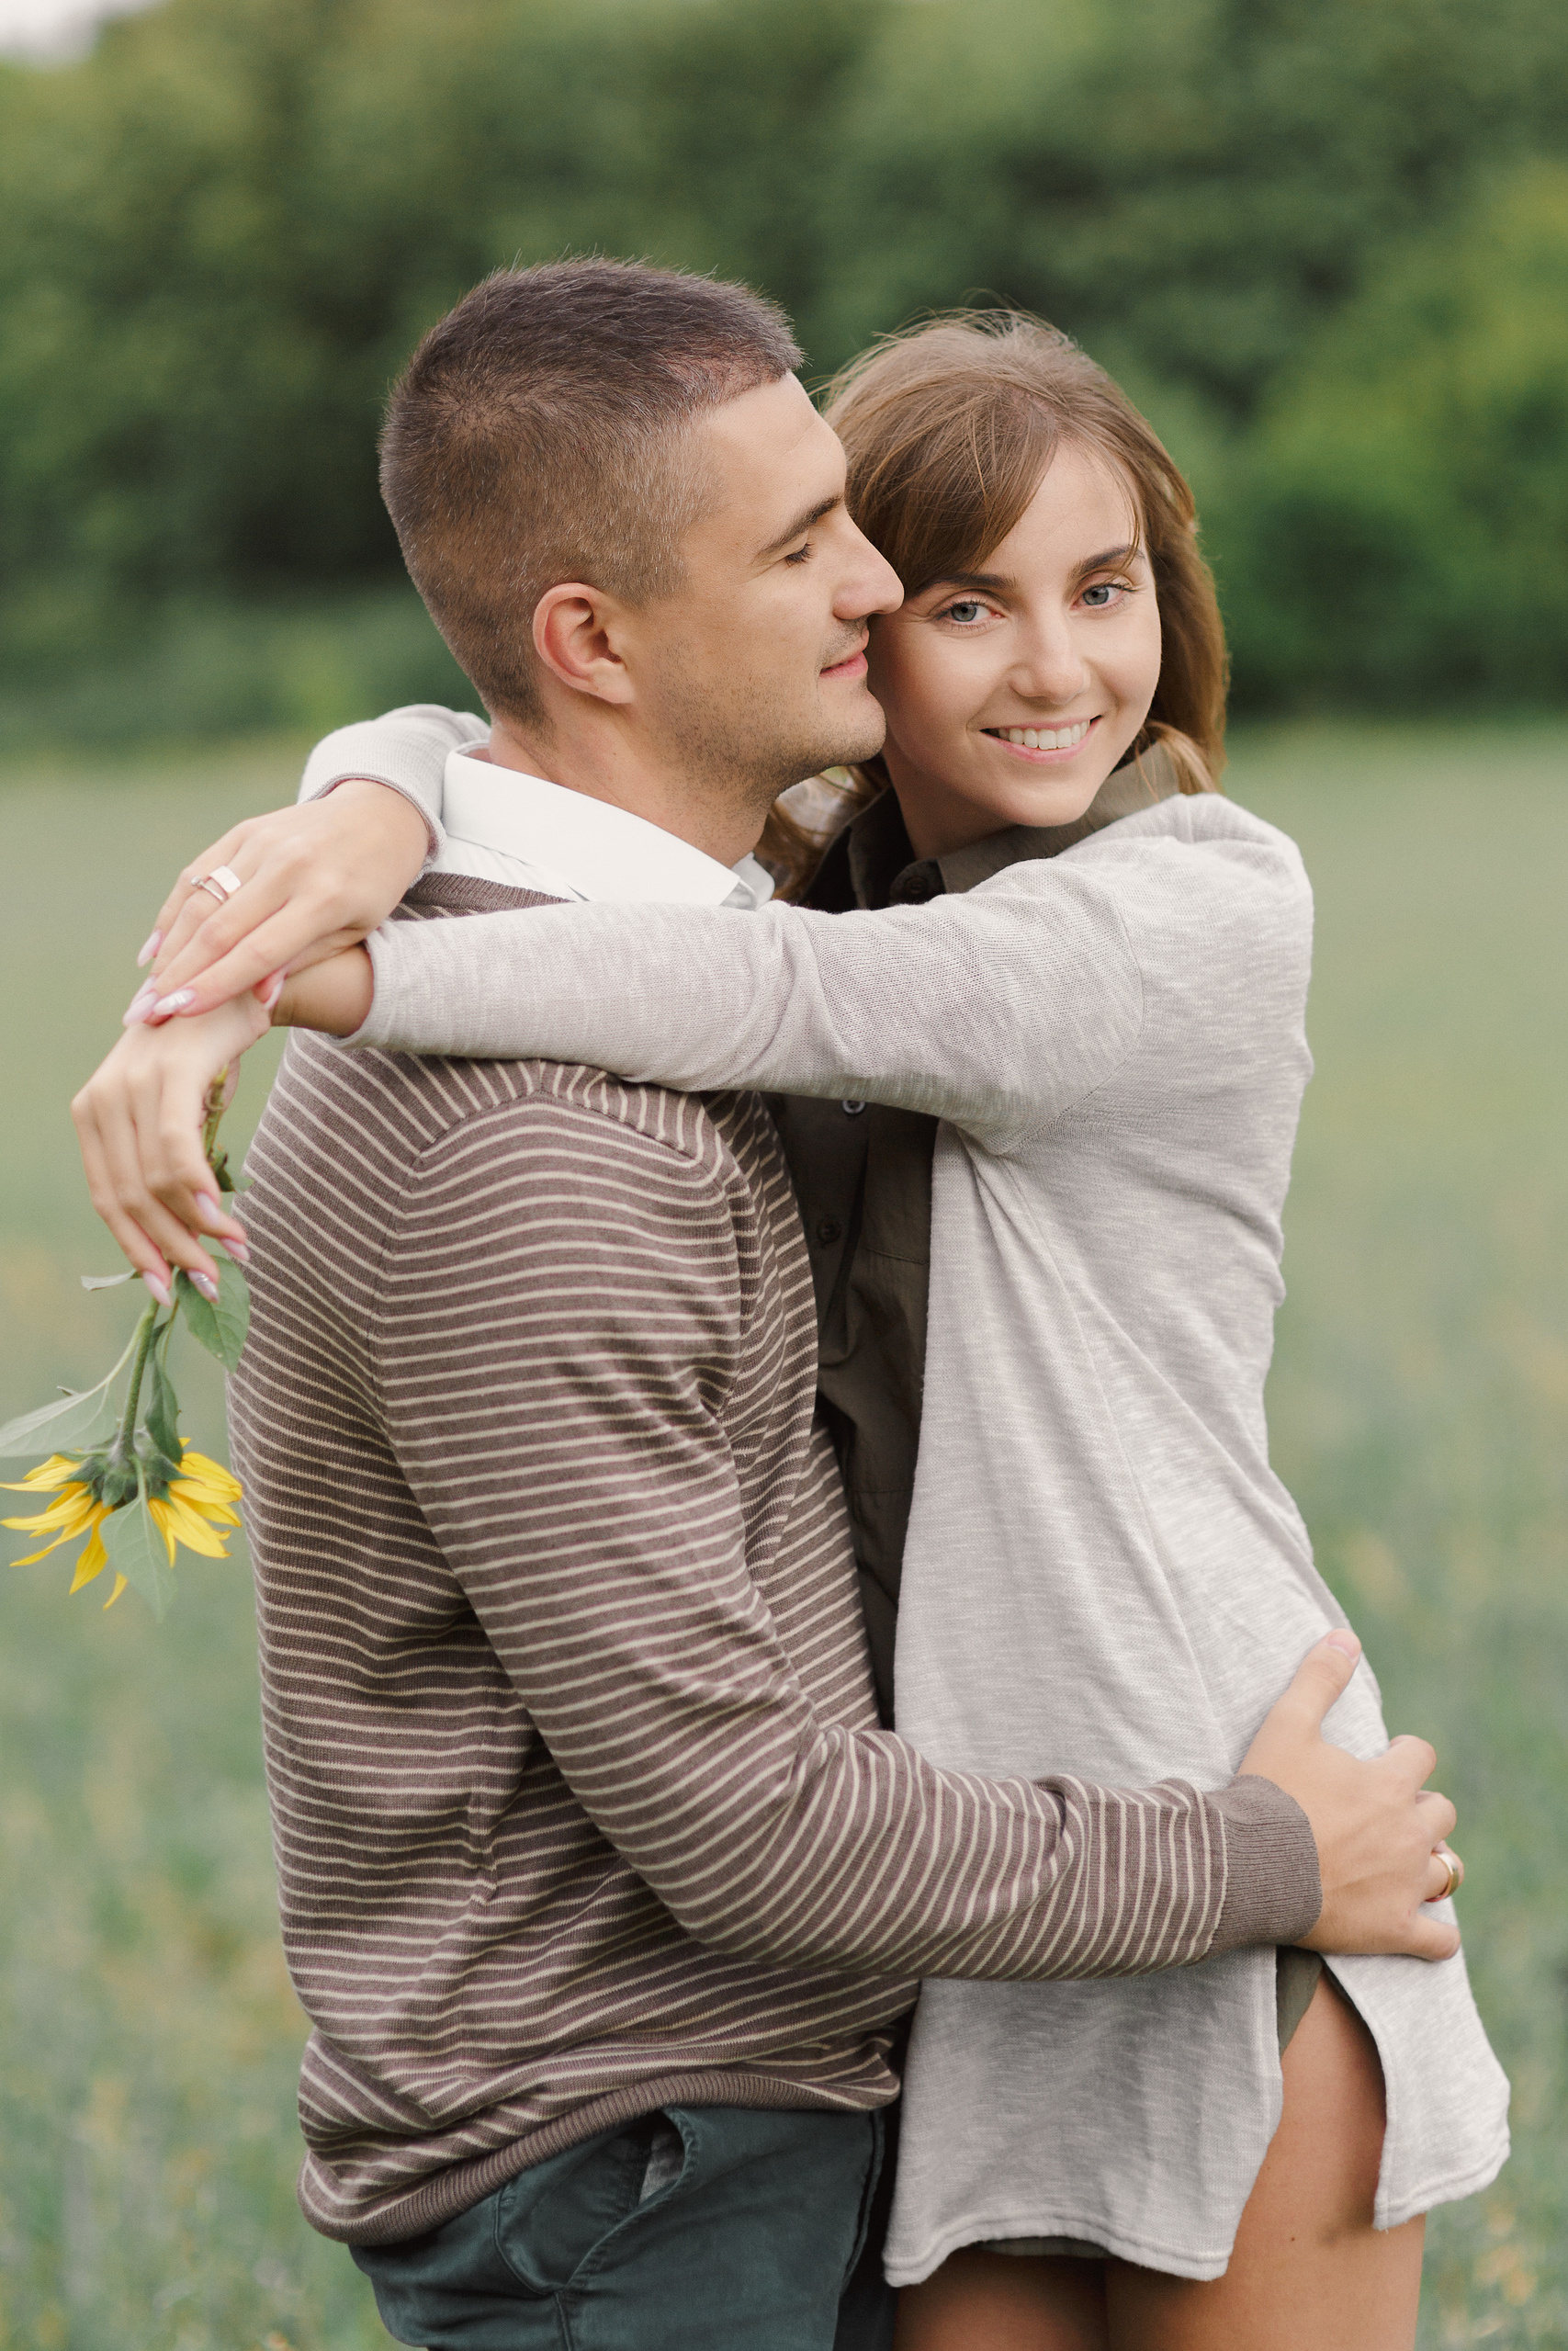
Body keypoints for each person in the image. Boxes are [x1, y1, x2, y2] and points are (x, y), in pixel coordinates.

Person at [73, 271, 1477, 2351]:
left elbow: (760, 993)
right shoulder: (832, 879)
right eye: (942, 594)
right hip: (970, 1892)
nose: (1057, 661)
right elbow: (540, 769)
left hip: (1213, 1790)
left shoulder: (1179, 905)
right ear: (867, 644)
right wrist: (368, 798)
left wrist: (281, 971)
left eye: (1106, 585)